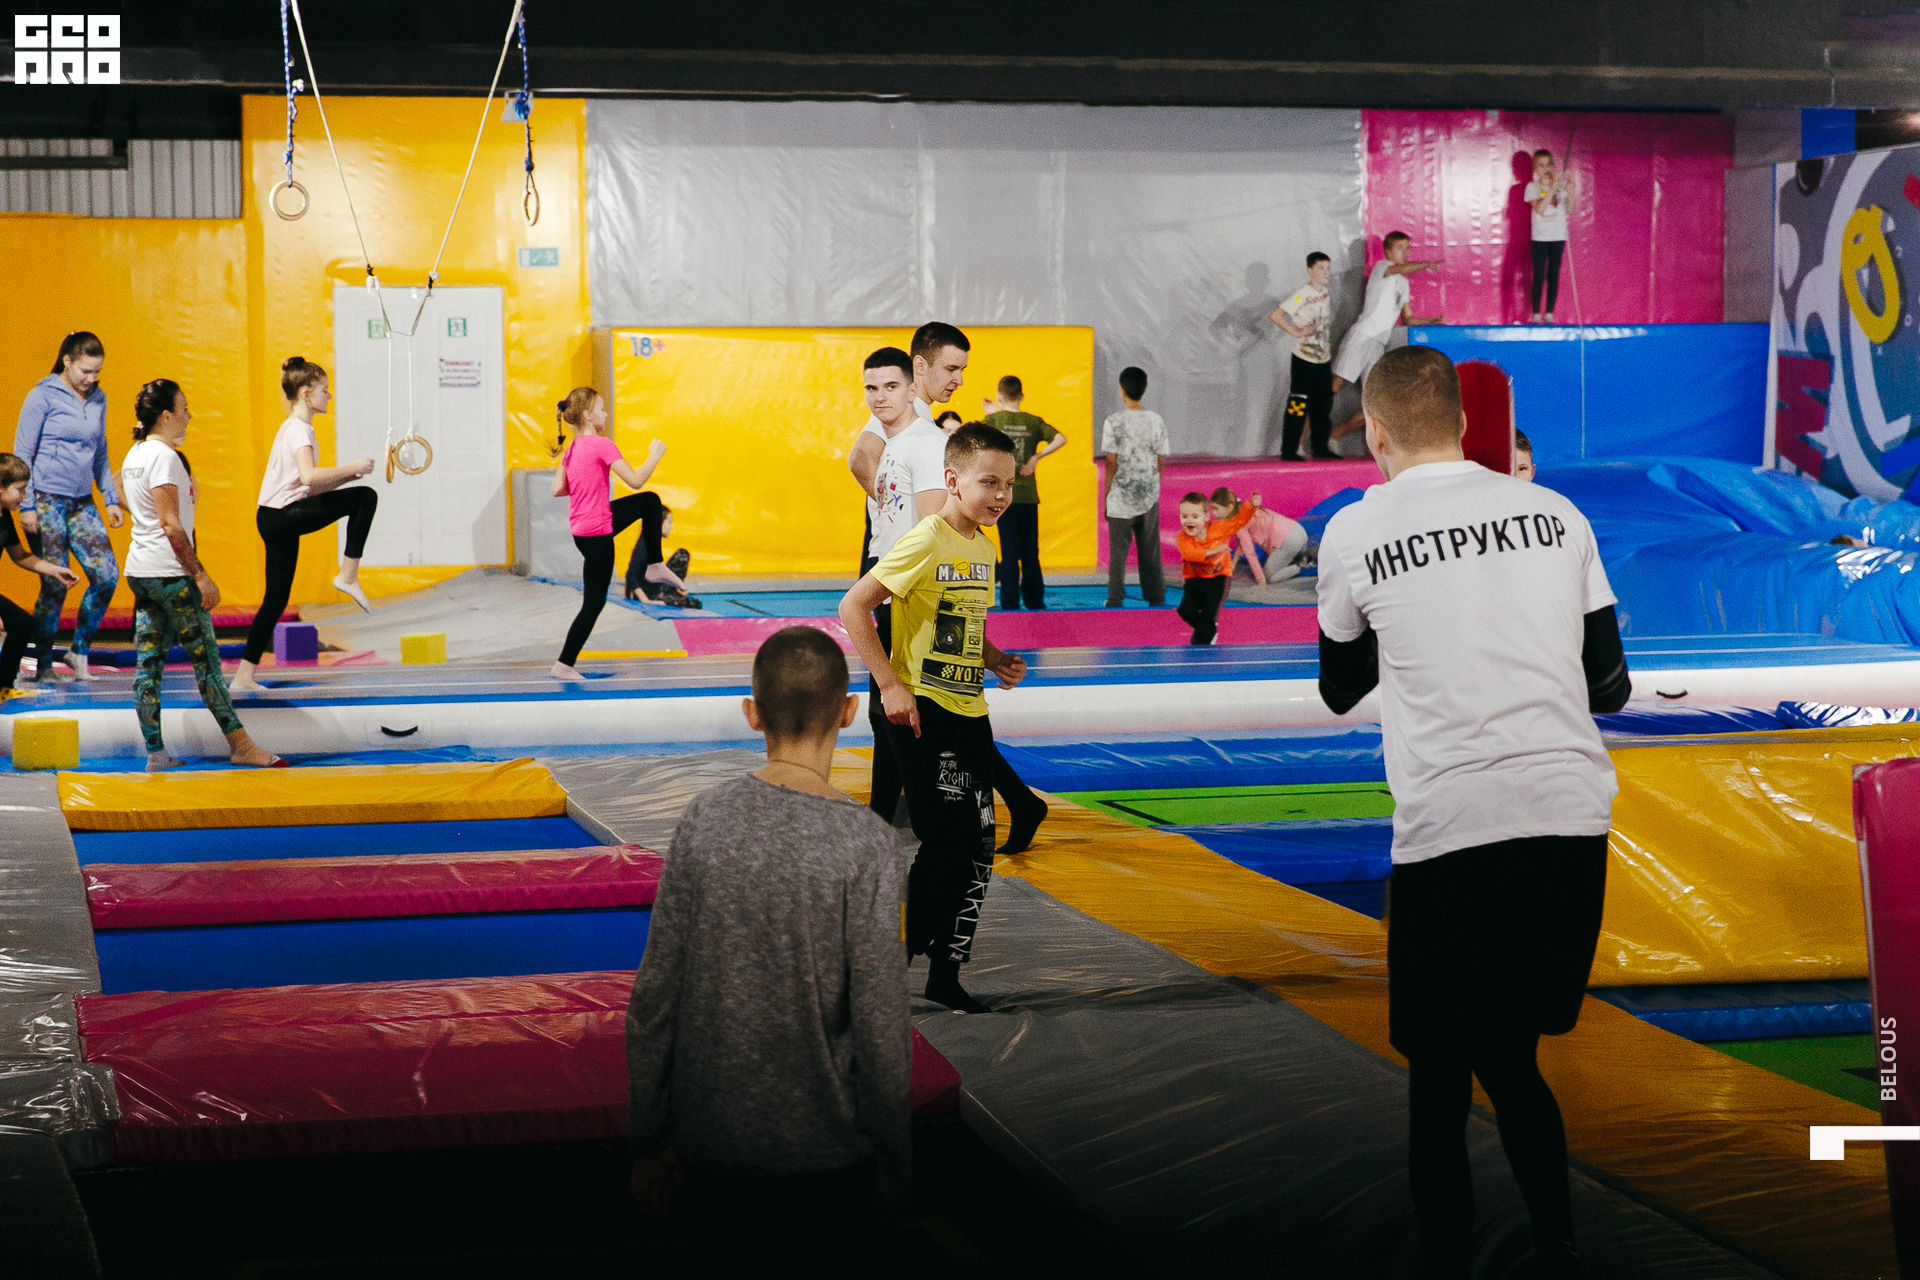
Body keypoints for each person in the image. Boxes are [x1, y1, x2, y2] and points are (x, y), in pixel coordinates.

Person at [1314, 346, 1630, 1280]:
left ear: (1374, 432)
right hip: (1571, 823)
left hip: (1453, 829)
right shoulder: (1557, 513)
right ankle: (1559, 1244)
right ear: (1462, 423)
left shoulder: (1355, 530)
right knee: (1513, 1052)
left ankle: (1451, 1261)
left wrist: (1422, 620)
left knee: (1440, 1076)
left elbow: (1339, 688)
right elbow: (1610, 687)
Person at [626, 625, 909, 1269]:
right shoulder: (867, 843)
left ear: (752, 713)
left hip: (708, 1147)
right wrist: (896, 1161)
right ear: (849, 711)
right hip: (825, 1158)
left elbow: (654, 996)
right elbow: (881, 1023)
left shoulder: (703, 819)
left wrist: (646, 1136)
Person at [839, 424, 1038, 1014]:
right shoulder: (926, 539)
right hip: (922, 713)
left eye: (1008, 484)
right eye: (989, 483)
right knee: (946, 841)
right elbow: (853, 606)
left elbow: (961, 623)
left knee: (979, 846)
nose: (1001, 495)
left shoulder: (983, 547)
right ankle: (884, 965)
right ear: (952, 481)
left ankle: (945, 975)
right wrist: (890, 684)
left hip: (970, 711)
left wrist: (994, 657)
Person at [120, 380, 283, 771]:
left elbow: (127, 495)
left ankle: (156, 753)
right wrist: (200, 575)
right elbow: (170, 525)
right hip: (169, 575)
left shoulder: (135, 453)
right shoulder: (163, 457)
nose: (189, 416)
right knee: (207, 664)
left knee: (148, 665)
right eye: (184, 409)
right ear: (166, 416)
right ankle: (241, 745)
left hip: (141, 572)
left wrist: (140, 518)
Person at [229, 358, 377, 693]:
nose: (330, 396)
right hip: (284, 515)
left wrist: (349, 476)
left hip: (272, 516)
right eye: (325, 390)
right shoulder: (299, 429)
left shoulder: (290, 427)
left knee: (275, 600)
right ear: (307, 394)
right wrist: (351, 466)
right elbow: (310, 477)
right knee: (367, 498)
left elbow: (307, 487)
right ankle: (347, 575)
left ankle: (243, 676)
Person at [845, 347, 925, 826]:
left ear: (912, 386)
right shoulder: (894, 439)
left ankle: (1007, 801)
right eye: (871, 388)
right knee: (891, 704)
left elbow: (937, 525)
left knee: (915, 703)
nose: (878, 397)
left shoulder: (924, 439)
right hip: (893, 573)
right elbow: (859, 460)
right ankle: (890, 808)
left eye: (889, 387)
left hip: (910, 581)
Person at [13, 331, 122, 683]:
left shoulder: (98, 398)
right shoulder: (42, 395)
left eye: (97, 372)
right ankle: (43, 661)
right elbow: (22, 453)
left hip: (81, 502)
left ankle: (79, 651)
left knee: (106, 576)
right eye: (85, 371)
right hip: (46, 500)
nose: (91, 378)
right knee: (56, 583)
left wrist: (110, 498)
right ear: (67, 361)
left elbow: (100, 451)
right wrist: (27, 505)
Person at [550, 387, 671, 680]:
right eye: (602, 410)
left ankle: (655, 565)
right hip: (598, 531)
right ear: (588, 416)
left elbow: (557, 489)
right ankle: (564, 665)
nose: (606, 414)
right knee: (594, 603)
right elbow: (636, 480)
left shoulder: (573, 449)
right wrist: (654, 455)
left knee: (650, 503)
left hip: (583, 529)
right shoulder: (602, 445)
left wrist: (584, 482)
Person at [1329, 233, 1445, 439]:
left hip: (1378, 344)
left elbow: (1408, 319)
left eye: (1407, 248)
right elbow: (1399, 269)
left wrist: (1432, 320)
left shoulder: (1403, 284)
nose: (1405, 252)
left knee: (1377, 403)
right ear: (1388, 252)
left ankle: (1335, 433)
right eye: (1400, 248)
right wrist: (1426, 264)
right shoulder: (1382, 267)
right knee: (1335, 385)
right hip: (1362, 336)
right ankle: (1299, 433)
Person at [983, 375, 1068, 611]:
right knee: (1031, 552)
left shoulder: (993, 420)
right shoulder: (1033, 421)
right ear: (1021, 396)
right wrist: (1036, 457)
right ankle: (1034, 601)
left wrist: (992, 414)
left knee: (1009, 552)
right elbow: (1060, 438)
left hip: (1003, 497)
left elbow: (977, 440)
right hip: (1028, 496)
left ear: (999, 396)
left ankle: (1009, 603)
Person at [0, 453, 79, 699]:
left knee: (22, 624)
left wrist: (54, 570)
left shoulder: (4, 516)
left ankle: (3, 687)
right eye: (20, 489)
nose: (24, 496)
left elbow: (20, 555)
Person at [1101, 366, 1171, 608]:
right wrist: (1155, 485)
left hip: (1121, 496)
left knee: (1118, 553)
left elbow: (1111, 462)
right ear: (1145, 389)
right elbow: (1160, 458)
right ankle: (1156, 596)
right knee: (1150, 550)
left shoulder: (1113, 421)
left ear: (1121, 390)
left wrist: (1107, 495)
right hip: (1148, 495)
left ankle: (1115, 597)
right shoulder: (1156, 420)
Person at [1270, 252, 1338, 460]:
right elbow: (1276, 315)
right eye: (1320, 268)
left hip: (1322, 358)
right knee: (1298, 403)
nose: (1326, 273)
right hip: (1304, 358)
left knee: (1322, 404)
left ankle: (1320, 447)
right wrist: (1295, 332)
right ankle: (1289, 449)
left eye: (1327, 268)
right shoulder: (1302, 294)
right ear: (1309, 271)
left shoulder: (1325, 292)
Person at [1175, 489, 1260, 645]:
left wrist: (1251, 506)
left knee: (1209, 614)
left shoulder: (1219, 528)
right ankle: (1208, 630)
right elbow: (1190, 554)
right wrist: (1214, 550)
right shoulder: (1182, 537)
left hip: (1217, 579)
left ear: (1206, 517)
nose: (1189, 521)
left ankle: (1204, 637)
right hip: (1194, 580)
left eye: (1195, 516)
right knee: (1185, 610)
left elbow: (1238, 522)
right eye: (1184, 516)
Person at [1214, 486, 1307, 586]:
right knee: (1286, 559)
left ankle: (1303, 565)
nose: (1214, 513)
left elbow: (1250, 553)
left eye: (1216, 509)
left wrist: (1260, 579)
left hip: (1290, 541)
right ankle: (1301, 557)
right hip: (1298, 531)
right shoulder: (1245, 509)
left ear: (1229, 508)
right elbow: (1242, 542)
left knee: (1270, 577)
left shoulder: (1240, 525)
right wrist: (1235, 560)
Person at [1527, 150, 1572, 324]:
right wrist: (1553, 188)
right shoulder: (1532, 187)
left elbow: (1570, 209)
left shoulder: (1560, 186)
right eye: (1541, 165)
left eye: (1548, 165)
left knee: (1553, 275)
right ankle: (1536, 313)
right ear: (1535, 169)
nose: (1545, 168)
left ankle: (1549, 314)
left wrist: (1571, 189)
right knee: (1539, 275)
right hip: (1540, 239)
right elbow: (1539, 208)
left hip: (1557, 237)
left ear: (1553, 166)